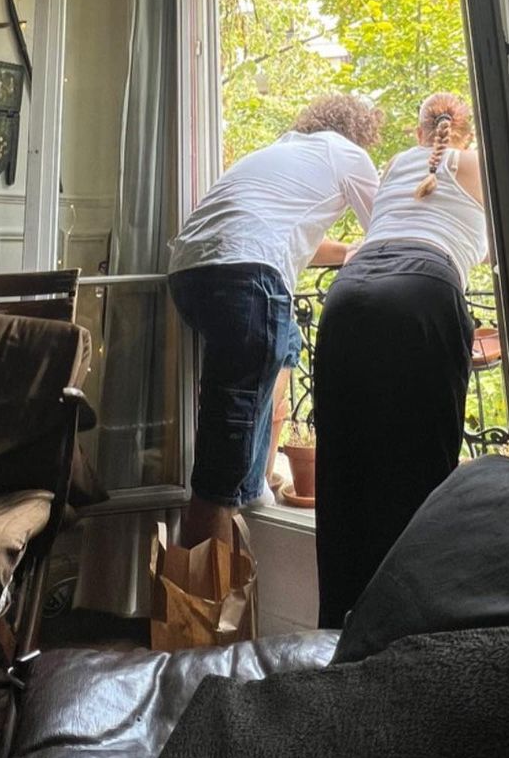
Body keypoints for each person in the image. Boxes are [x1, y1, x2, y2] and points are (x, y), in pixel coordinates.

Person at [168, 93, 383, 548]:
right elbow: (387, 229)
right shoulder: (347, 154)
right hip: (246, 278)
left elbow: (289, 234)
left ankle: (254, 482)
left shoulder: (280, 152)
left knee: (287, 342)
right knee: (220, 458)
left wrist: (346, 252)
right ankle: (199, 586)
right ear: (359, 131)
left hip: (190, 274)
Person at [313, 91, 488, 629]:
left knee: (342, 474)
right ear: (466, 132)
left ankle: (340, 633)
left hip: (348, 294)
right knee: (422, 474)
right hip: (421, 289)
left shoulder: (395, 164)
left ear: (418, 132)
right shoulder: (474, 163)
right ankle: (413, 635)